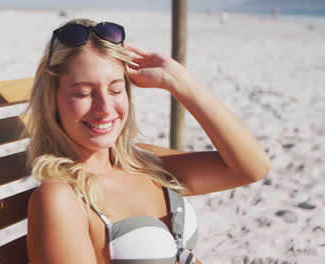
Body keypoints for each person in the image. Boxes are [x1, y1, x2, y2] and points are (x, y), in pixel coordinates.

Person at [26, 18, 271, 264]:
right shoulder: (62, 197)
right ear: (52, 101)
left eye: (115, 89)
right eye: (83, 93)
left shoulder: (146, 162)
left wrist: (180, 82)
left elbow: (252, 168)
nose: (105, 108)